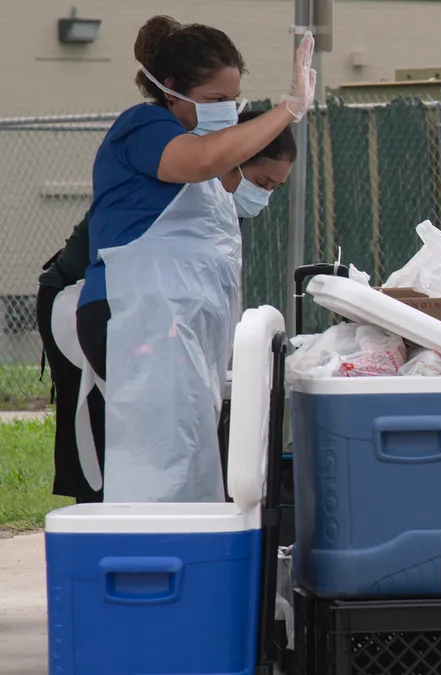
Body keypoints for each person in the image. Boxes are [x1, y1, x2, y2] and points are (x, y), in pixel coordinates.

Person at [73, 15, 316, 503]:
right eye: (213, 102)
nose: (227, 112)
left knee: (188, 459)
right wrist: (289, 108)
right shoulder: (145, 128)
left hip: (177, 331)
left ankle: (187, 561)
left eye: (233, 100)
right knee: (157, 464)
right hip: (136, 322)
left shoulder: (210, 174)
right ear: (172, 89)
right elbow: (201, 159)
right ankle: (145, 561)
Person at [36, 111, 297, 503]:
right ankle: (99, 523)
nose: (264, 195)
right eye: (261, 182)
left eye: (275, 188)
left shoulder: (219, 205)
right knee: (108, 428)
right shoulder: (181, 180)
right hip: (87, 304)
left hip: (144, 314)